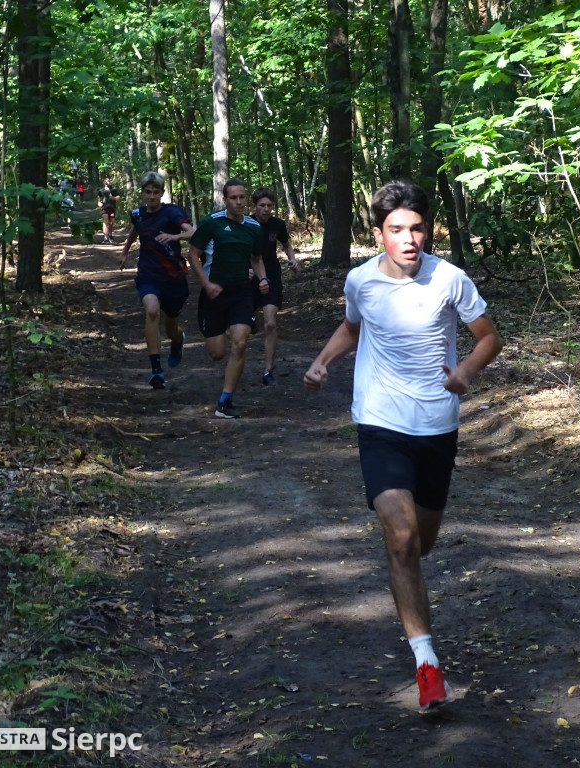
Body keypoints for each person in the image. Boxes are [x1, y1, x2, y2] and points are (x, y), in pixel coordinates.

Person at [303, 180, 503, 711]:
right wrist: (324, 360)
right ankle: (427, 662)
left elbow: (490, 337)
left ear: (427, 231)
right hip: (379, 419)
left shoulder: (450, 279)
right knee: (400, 536)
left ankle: (408, 583)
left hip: (437, 425)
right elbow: (352, 327)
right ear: (379, 234)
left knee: (422, 544)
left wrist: (464, 371)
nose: (409, 239)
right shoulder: (360, 281)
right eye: (397, 230)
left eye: (417, 229)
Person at [187, 179, 269, 419]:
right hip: (214, 294)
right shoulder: (212, 223)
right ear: (225, 200)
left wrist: (263, 279)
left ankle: (225, 401)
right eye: (233, 198)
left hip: (242, 292)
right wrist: (207, 284)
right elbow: (192, 255)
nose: (239, 202)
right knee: (217, 353)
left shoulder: (254, 227)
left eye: (242, 197)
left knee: (241, 342)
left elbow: (256, 258)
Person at [117, 171, 194, 390]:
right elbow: (135, 231)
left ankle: (178, 340)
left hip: (174, 277)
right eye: (148, 192)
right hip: (148, 275)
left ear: (162, 193)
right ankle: (156, 370)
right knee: (151, 311)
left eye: (156, 192)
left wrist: (175, 236)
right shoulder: (137, 214)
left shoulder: (172, 212)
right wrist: (124, 252)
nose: (151, 197)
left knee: (172, 328)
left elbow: (192, 231)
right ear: (142, 193)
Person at [251, 187, 300, 387]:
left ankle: (267, 370)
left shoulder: (277, 224)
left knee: (270, 324)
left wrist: (293, 259)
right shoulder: (246, 223)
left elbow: (286, 244)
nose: (266, 209)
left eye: (269, 205)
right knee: (246, 326)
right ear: (254, 206)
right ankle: (250, 318)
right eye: (262, 205)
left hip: (272, 276)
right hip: (248, 277)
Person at [98, 177, 121, 244]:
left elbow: (118, 198)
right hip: (104, 207)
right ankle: (105, 238)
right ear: (103, 182)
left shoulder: (113, 190)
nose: (108, 182)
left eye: (109, 181)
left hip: (112, 208)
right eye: (106, 180)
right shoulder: (101, 190)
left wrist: (112, 197)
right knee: (105, 221)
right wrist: (99, 203)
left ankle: (110, 235)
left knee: (111, 222)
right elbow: (99, 198)